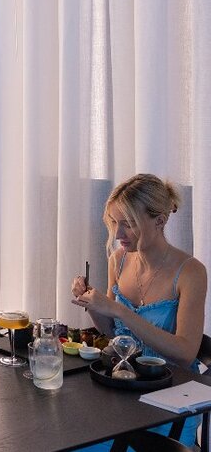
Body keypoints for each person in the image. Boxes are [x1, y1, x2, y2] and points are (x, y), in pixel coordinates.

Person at [71, 173, 206, 448]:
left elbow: (185, 352)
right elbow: (111, 332)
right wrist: (93, 305)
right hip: (124, 385)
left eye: (129, 224)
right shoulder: (118, 261)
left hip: (171, 396)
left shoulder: (191, 272)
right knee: (69, 437)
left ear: (160, 220)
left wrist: (120, 311)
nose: (118, 234)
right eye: (114, 223)